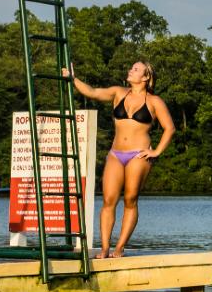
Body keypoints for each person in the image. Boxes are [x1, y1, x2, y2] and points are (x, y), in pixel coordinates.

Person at [62, 61, 174, 258]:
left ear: (146, 77)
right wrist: (73, 79)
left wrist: (156, 151)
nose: (130, 70)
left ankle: (120, 247)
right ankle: (104, 248)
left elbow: (170, 128)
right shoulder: (118, 92)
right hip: (116, 153)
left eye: (136, 69)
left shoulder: (155, 101)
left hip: (138, 155)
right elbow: (93, 92)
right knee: (108, 200)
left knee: (130, 199)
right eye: (130, 67)